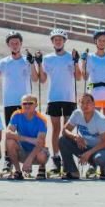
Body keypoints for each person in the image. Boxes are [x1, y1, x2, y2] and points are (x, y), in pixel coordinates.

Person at [0, 30, 37, 175]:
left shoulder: (27, 60)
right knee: (10, 132)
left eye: (17, 43)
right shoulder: (4, 62)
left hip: (26, 103)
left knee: (27, 131)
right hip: (9, 102)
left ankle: (28, 161)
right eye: (12, 43)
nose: (15, 45)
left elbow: (35, 79)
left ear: (21, 44)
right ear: (8, 45)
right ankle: (8, 160)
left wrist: (32, 64)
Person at [38, 29, 82, 176]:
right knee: (56, 129)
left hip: (69, 97)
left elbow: (79, 77)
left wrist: (76, 62)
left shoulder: (71, 56)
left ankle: (67, 159)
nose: (58, 41)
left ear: (64, 41)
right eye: (55, 39)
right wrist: (38, 64)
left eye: (60, 39)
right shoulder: (48, 58)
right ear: (52, 42)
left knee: (67, 130)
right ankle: (56, 158)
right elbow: (43, 79)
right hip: (54, 97)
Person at [60, 93, 105, 180]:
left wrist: (88, 154)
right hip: (86, 147)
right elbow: (64, 130)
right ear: (79, 104)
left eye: (88, 102)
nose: (85, 105)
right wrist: (75, 136)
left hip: (104, 149)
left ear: (94, 104)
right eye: (82, 102)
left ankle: (103, 169)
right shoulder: (77, 114)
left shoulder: (101, 119)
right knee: (63, 140)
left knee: (100, 158)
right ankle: (72, 171)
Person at [4, 94, 49, 180]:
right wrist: (28, 139)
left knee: (42, 155)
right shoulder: (16, 114)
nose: (27, 105)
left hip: (37, 151)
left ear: (36, 105)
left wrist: (29, 160)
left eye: (30, 103)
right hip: (22, 150)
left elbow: (40, 142)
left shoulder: (41, 119)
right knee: (9, 141)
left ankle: (42, 168)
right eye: (24, 103)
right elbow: (7, 133)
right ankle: (18, 171)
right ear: (21, 105)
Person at [84, 30, 105, 125]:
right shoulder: (89, 57)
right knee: (93, 125)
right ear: (95, 41)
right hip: (95, 94)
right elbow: (86, 77)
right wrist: (88, 93)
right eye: (99, 40)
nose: (102, 42)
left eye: (104, 41)